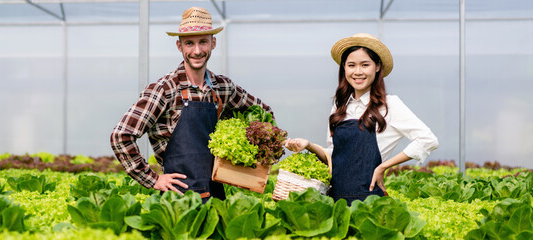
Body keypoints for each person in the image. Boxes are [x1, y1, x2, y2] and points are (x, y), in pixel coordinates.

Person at [110, 7, 274, 202]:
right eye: (189, 43)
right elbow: (121, 135)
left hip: (217, 198)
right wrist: (152, 179)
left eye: (203, 42)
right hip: (180, 201)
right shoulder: (164, 89)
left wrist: (252, 156)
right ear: (179, 47)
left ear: (213, 43)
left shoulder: (223, 87)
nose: (197, 51)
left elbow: (263, 113)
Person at [284, 33, 438, 203]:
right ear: (344, 68)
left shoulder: (389, 105)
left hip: (369, 204)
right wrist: (310, 145)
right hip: (335, 201)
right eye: (351, 65)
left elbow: (428, 140)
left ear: (377, 67)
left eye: (365, 65)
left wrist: (383, 166)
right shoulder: (339, 106)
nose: (358, 72)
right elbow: (334, 155)